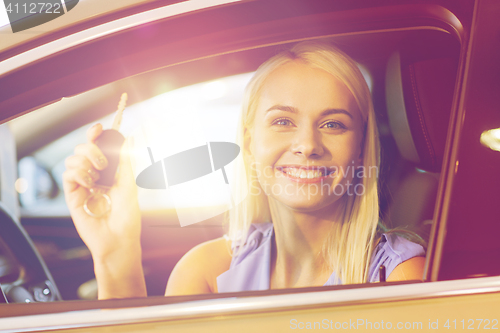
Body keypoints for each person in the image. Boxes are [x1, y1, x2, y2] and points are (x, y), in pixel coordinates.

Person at [63, 42, 425, 299]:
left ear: (361, 149)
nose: (307, 144)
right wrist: (115, 255)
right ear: (250, 144)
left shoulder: (396, 278)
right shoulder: (206, 272)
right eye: (283, 121)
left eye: (333, 124)